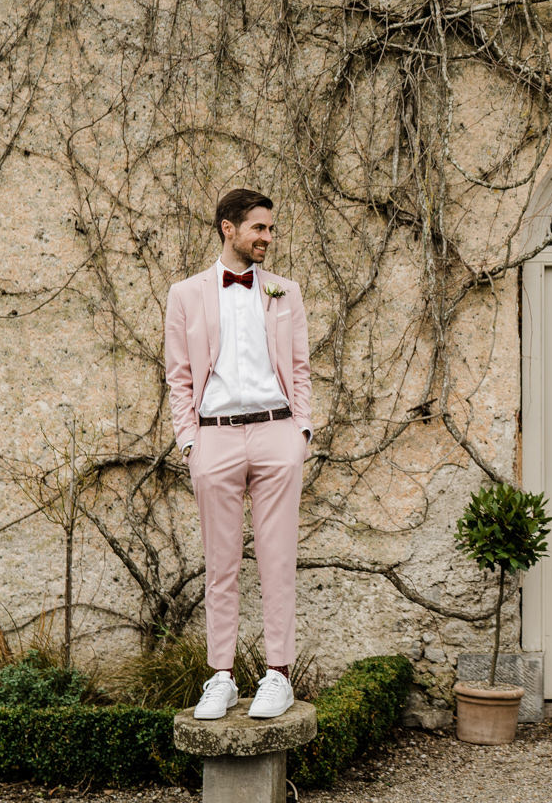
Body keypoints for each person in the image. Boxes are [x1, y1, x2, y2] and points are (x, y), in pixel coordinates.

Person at [164, 188, 313, 720]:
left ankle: (278, 675)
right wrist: (190, 442)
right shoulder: (185, 294)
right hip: (215, 438)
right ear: (229, 228)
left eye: (271, 229)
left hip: (277, 435)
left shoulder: (283, 291)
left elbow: (299, 367)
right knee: (220, 564)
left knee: (278, 560)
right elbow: (179, 377)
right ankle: (221, 677)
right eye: (260, 228)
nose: (268, 238)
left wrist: (302, 433)